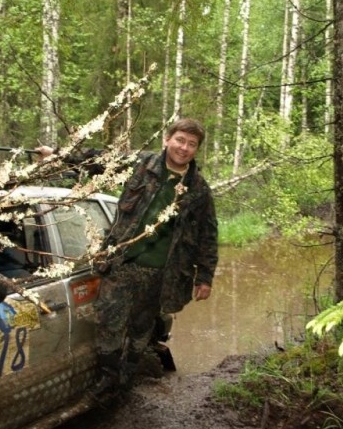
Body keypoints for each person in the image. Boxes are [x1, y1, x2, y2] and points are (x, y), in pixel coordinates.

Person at [37, 117, 218, 398]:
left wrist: (204, 277)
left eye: (191, 144)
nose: (184, 148)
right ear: (167, 140)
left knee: (141, 330)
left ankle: (127, 377)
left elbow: (208, 234)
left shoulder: (198, 189)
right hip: (122, 264)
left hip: (161, 274)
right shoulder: (142, 164)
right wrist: (58, 155)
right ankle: (108, 380)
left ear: (196, 150)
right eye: (180, 140)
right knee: (109, 322)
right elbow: (100, 160)